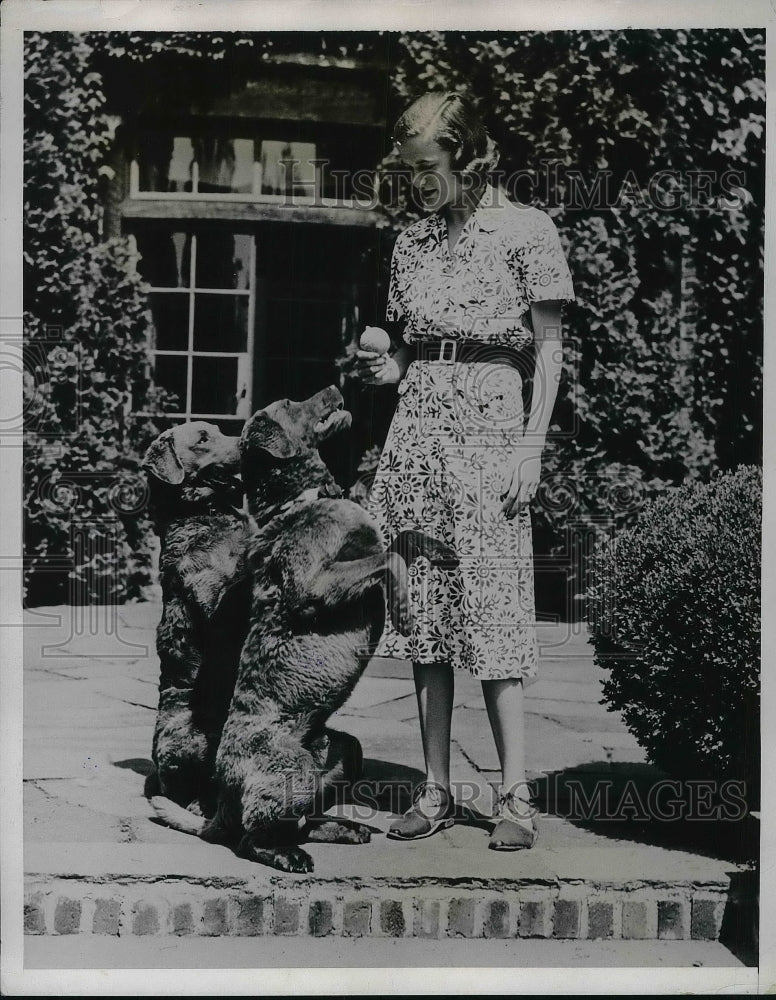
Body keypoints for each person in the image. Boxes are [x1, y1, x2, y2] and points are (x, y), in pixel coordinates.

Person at [354, 91, 575, 850]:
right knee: (425, 616)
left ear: (469, 158)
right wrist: (386, 367)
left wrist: (531, 448)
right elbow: (412, 354)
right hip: (416, 435)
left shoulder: (527, 230)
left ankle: (514, 798)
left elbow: (548, 351)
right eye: (408, 171)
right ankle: (435, 788)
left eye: (429, 169)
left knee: (493, 608)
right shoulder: (410, 243)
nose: (417, 184)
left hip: (492, 434)